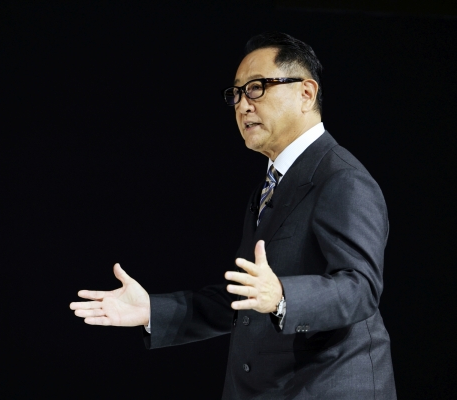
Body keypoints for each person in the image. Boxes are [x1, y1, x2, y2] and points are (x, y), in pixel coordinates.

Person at [70, 32, 396, 399]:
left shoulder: (342, 178)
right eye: (236, 94)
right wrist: (153, 311)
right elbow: (245, 300)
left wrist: (283, 296)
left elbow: (360, 288)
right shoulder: (272, 185)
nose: (242, 105)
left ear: (306, 93)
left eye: (256, 88)